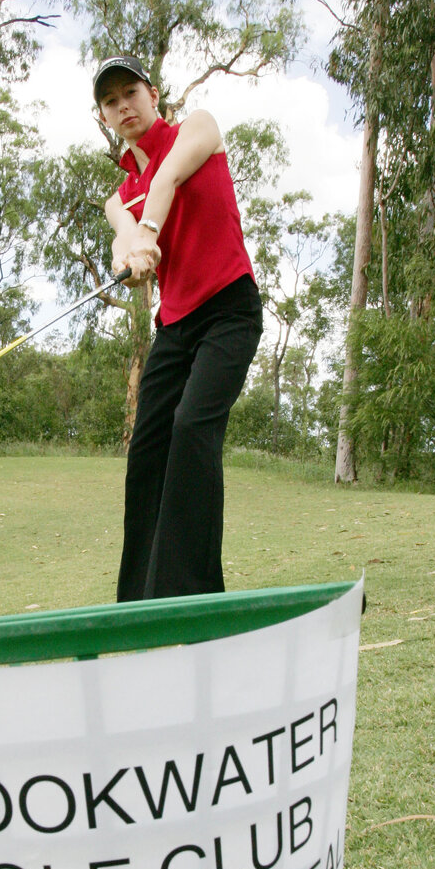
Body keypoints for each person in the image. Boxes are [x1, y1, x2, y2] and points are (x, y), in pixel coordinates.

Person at [95, 54, 264, 601]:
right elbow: (124, 235)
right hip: (174, 326)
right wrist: (129, 256)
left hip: (229, 309)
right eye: (111, 101)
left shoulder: (199, 127)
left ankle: (194, 593)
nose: (123, 106)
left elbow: (168, 177)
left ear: (153, 95)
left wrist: (149, 230)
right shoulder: (119, 196)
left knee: (192, 426)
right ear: (104, 117)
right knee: (148, 448)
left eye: (131, 93)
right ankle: (138, 602)